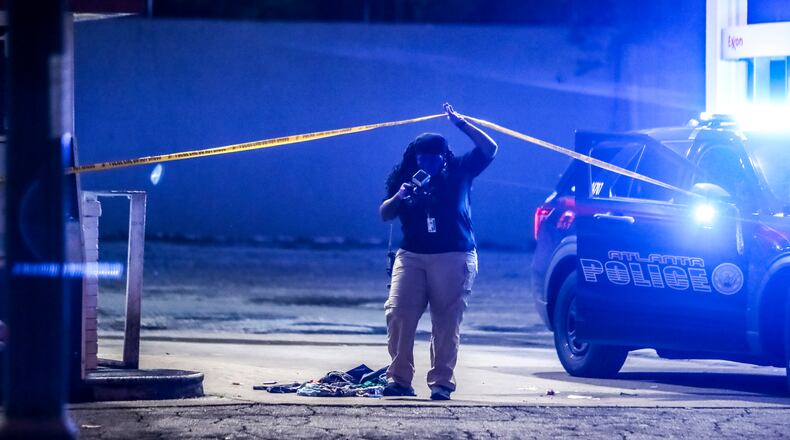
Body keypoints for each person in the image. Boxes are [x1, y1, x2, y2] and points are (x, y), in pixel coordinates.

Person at [379, 102, 497, 400]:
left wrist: (462, 124)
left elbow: (490, 148)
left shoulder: (460, 170)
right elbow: (385, 213)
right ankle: (399, 379)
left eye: (434, 158)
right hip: (412, 255)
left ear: (444, 156)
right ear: (415, 156)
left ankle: (441, 382)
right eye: (423, 158)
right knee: (399, 313)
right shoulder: (406, 179)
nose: (428, 164)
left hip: (454, 254)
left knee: (446, 320)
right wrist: (401, 195)